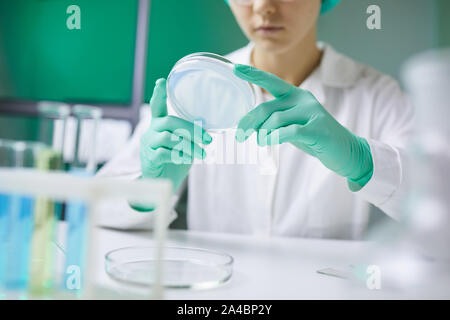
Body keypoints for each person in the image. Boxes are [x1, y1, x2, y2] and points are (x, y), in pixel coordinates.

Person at [96, 0, 413, 239]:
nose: (263, 7)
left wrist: (363, 161)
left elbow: (438, 206)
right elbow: (96, 205)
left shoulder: (377, 94)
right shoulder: (195, 86)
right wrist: (148, 190)